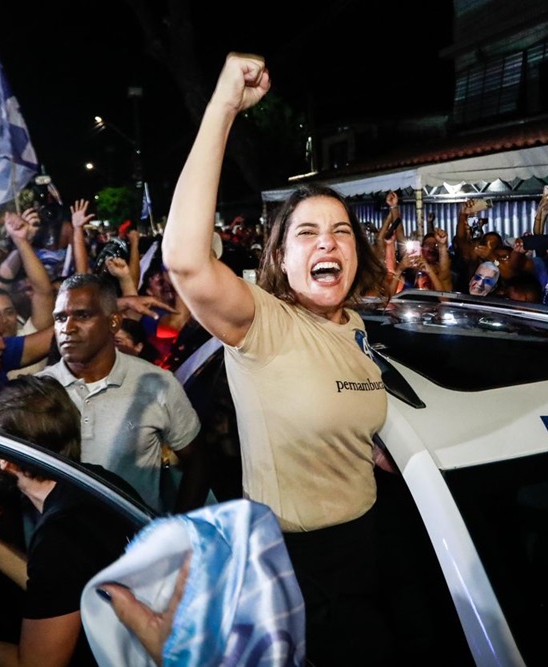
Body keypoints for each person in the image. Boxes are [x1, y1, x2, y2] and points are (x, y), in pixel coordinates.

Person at [160, 52, 393, 666]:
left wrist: (376, 448)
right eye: (308, 233)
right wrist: (223, 107)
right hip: (297, 567)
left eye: (341, 231)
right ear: (281, 262)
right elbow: (184, 258)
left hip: (364, 546)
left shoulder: (356, 326)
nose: (328, 242)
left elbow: (342, 408)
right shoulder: (265, 323)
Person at [0, 376, 138, 667]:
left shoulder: (59, 536)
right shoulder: (100, 481)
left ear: (5, 460)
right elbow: (71, 586)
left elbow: (36, 664)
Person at [37, 274, 207, 515]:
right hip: (59, 547)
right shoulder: (37, 390)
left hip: (138, 546)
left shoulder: (156, 383)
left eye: (82, 316)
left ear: (114, 322)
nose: (68, 328)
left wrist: (176, 530)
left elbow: (197, 461)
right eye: (60, 318)